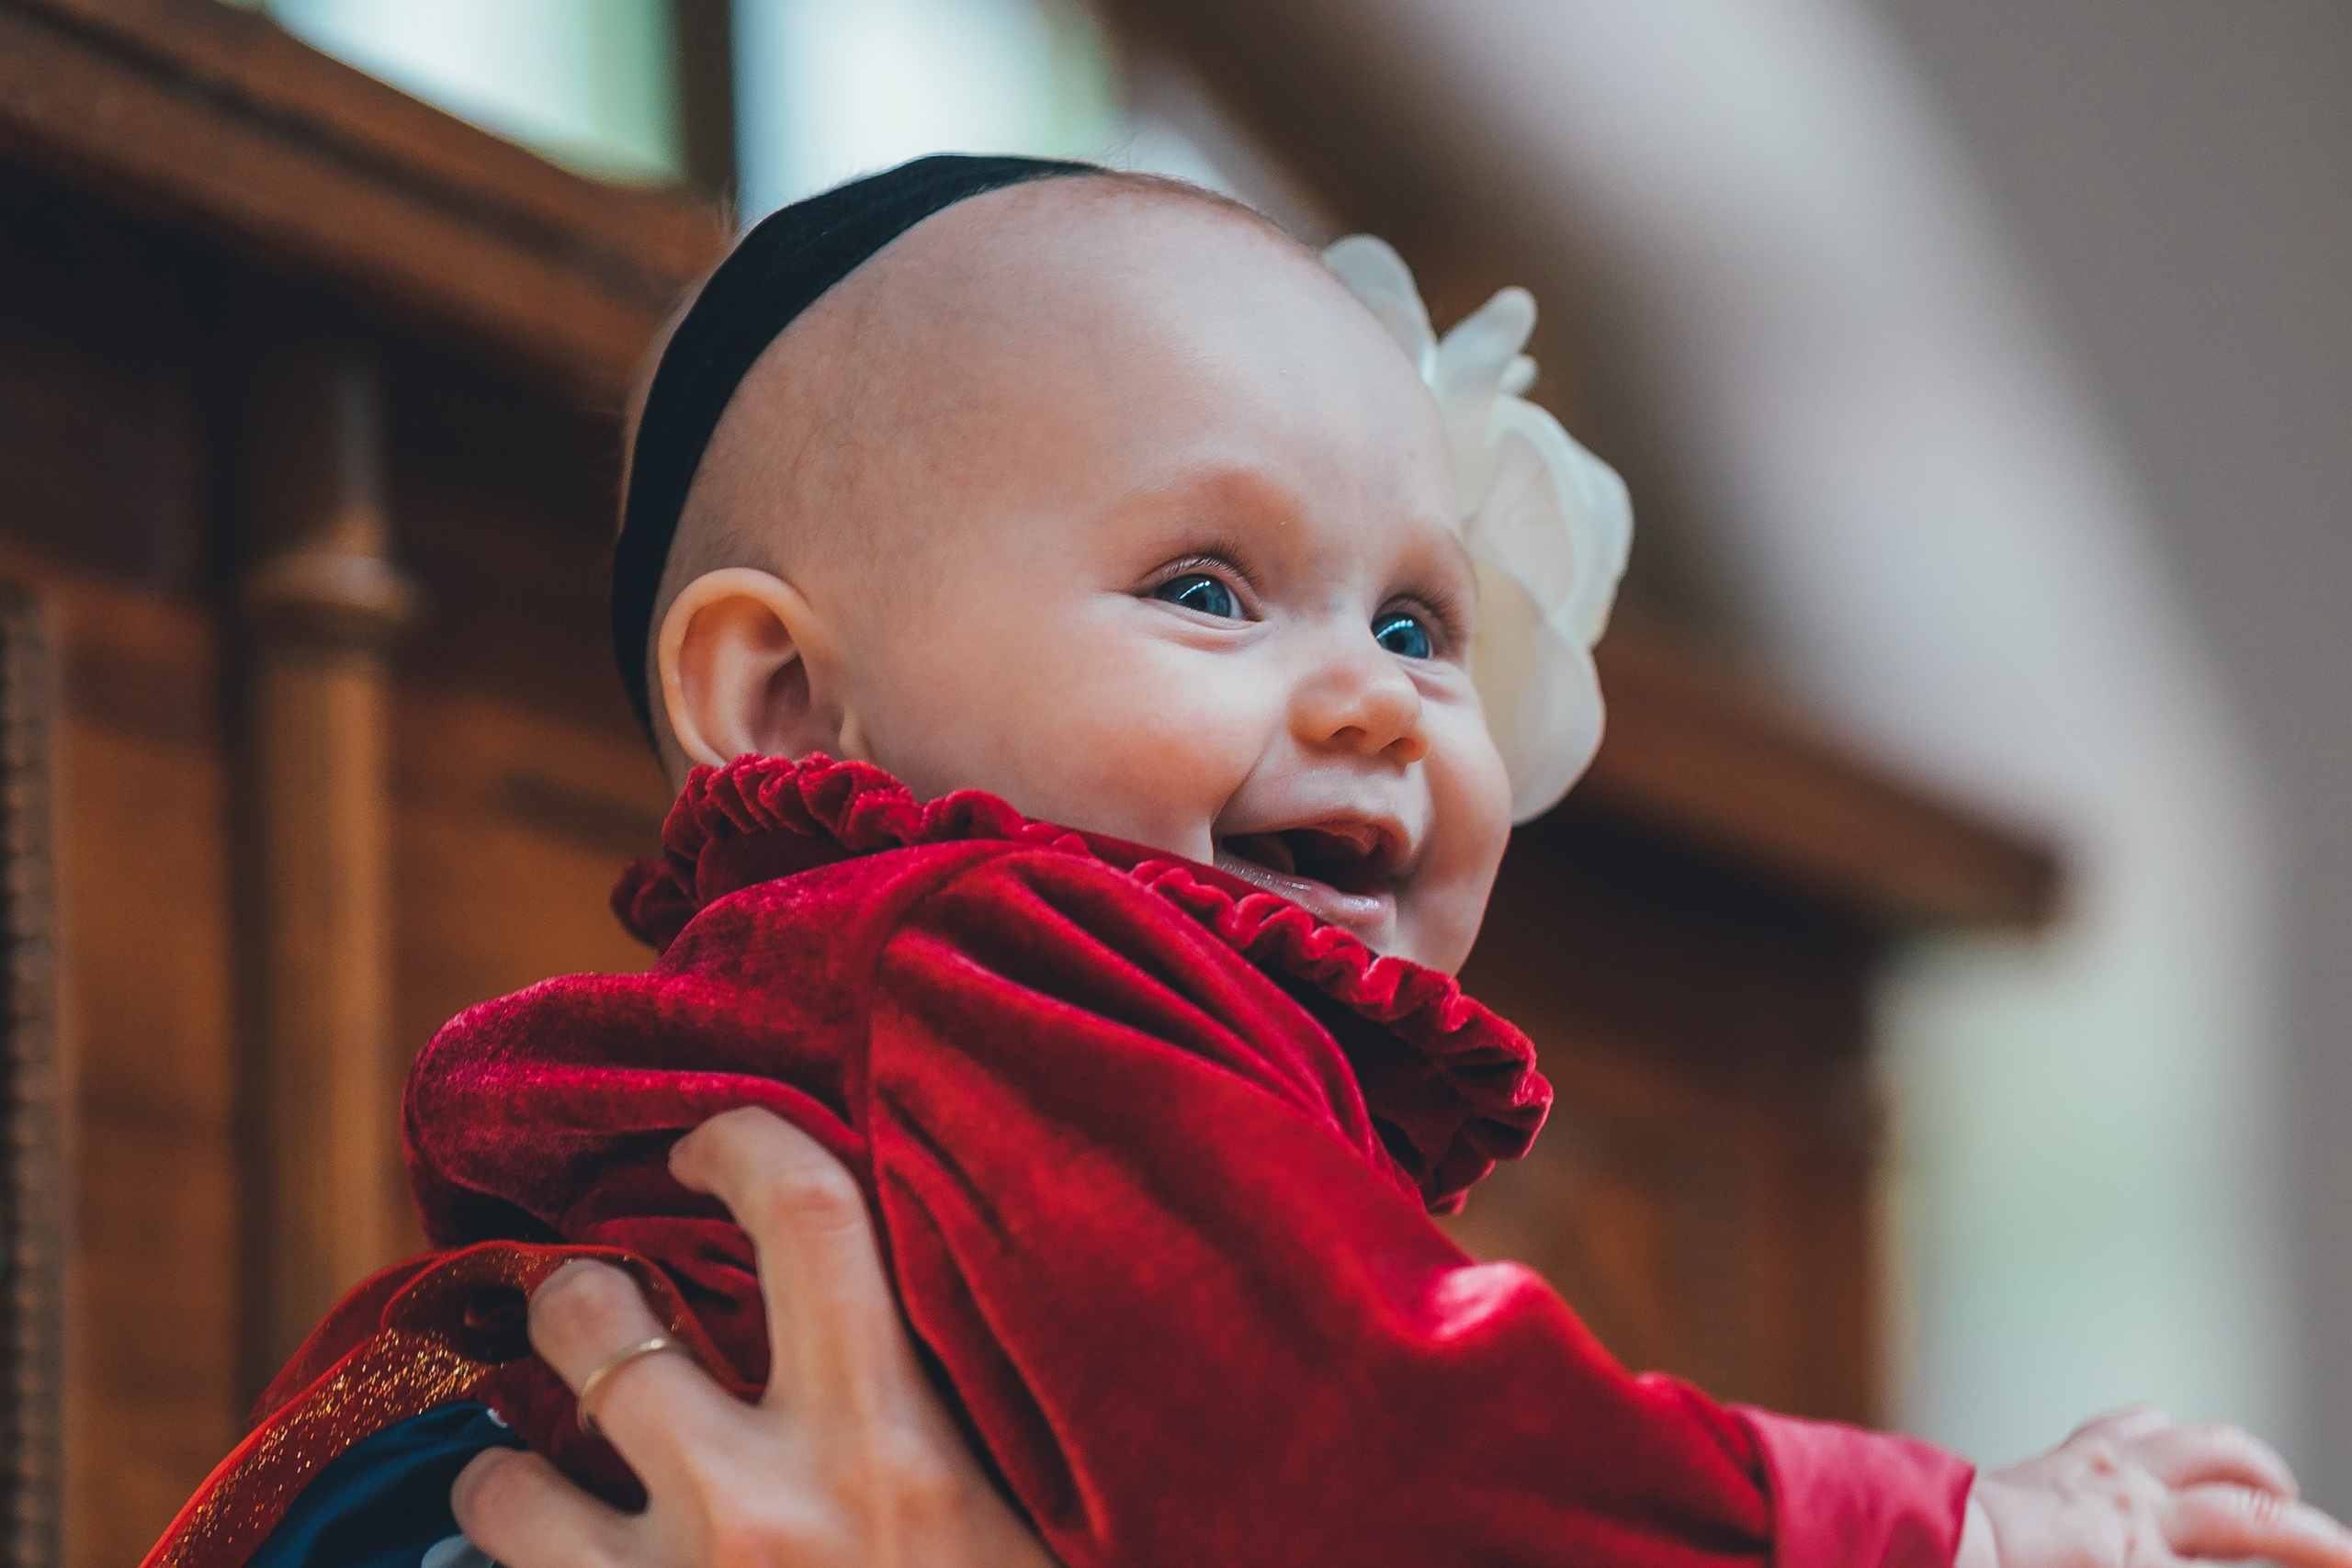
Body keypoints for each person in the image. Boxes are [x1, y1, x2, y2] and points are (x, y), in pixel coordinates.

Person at [141, 155, 2352, 1568]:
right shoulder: (1002, 957)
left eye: (1415, 621)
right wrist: (1963, 1522)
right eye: (1208, 588)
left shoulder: (919, 1028)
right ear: (786, 708)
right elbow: (1381, 1443)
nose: (1376, 694)